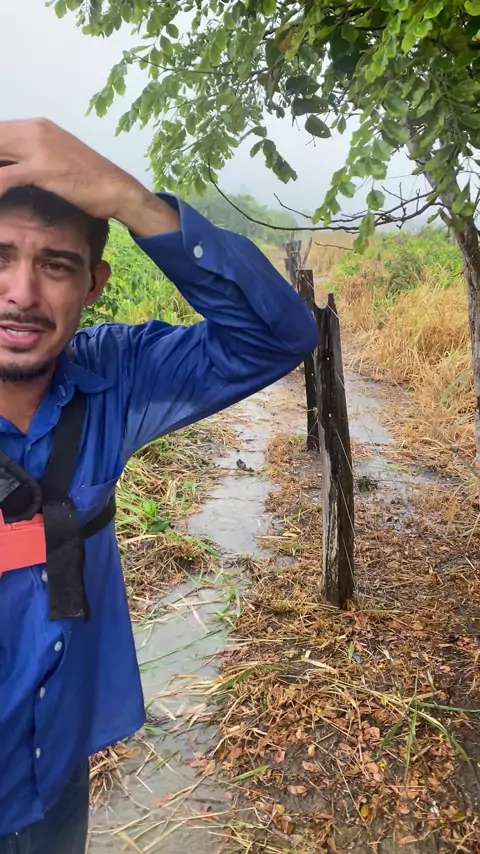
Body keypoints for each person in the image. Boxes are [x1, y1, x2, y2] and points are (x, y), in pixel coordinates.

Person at [0, 119, 318, 853]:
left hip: (54, 774)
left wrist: (129, 199)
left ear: (93, 285)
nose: (22, 293)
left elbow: (278, 336)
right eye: (0, 257)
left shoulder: (111, 380)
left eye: (56, 264)